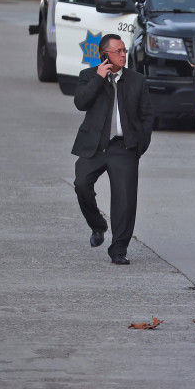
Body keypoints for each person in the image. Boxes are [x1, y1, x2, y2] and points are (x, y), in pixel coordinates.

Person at [72, 34, 154, 265]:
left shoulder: (136, 80)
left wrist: (139, 146)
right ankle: (98, 225)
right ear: (104, 55)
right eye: (117, 51)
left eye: (124, 51)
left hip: (124, 147)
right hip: (95, 147)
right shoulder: (88, 76)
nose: (122, 55)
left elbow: (147, 116)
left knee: (125, 200)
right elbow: (81, 103)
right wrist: (99, 78)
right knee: (81, 184)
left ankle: (119, 249)